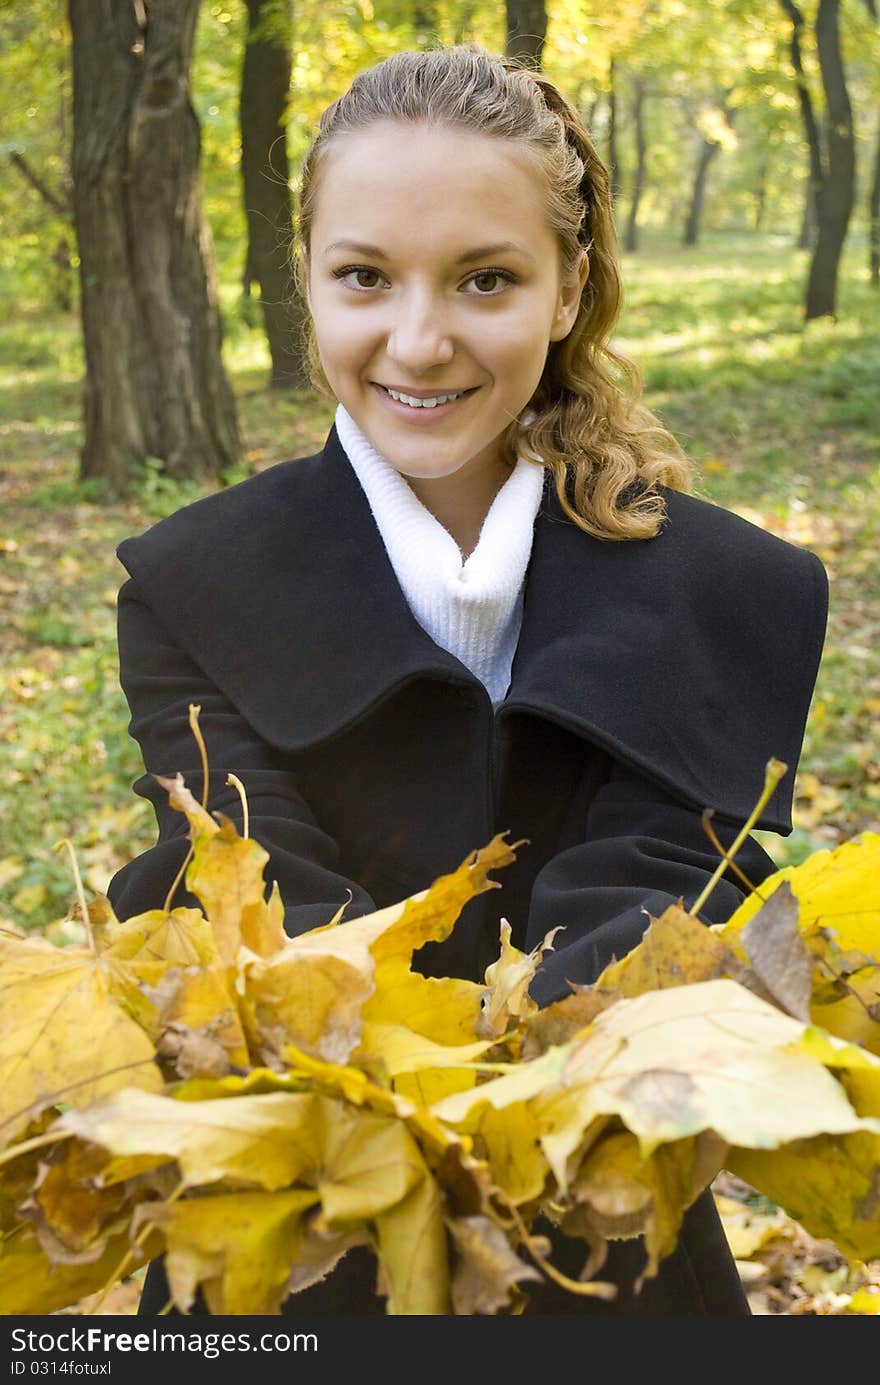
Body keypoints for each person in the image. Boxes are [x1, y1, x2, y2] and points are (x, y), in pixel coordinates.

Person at [107, 43, 828, 1317]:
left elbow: (665, 887)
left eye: (485, 278)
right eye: (365, 277)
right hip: (302, 1220)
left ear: (567, 291)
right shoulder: (191, 582)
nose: (419, 338)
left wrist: (521, 1087)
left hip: (601, 1215)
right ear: (310, 286)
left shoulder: (727, 590)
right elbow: (249, 878)